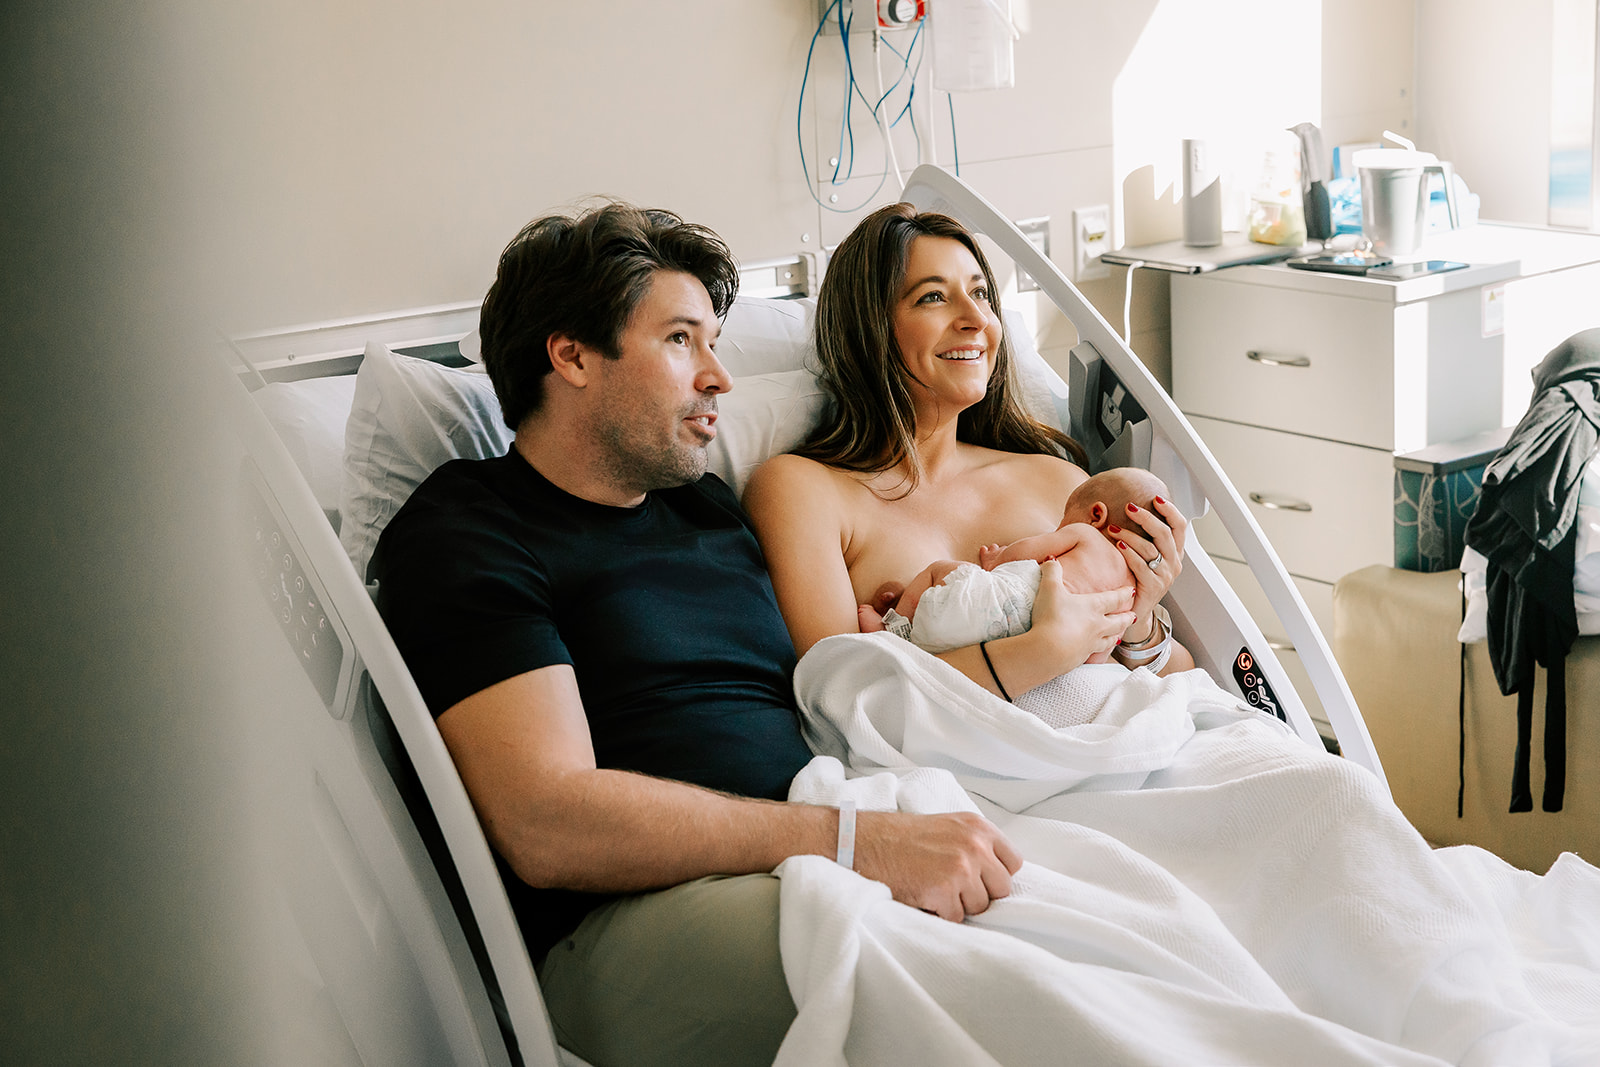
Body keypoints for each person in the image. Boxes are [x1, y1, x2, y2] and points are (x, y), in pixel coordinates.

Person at [368, 202, 1024, 1067]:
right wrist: (853, 843)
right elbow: (547, 823)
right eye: (682, 341)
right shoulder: (469, 529)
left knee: (1072, 942)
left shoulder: (707, 510)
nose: (718, 376)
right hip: (630, 920)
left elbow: (823, 679)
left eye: (715, 343)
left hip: (815, 843)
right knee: (981, 997)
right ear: (569, 355)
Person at [742, 204, 1191, 708]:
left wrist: (1142, 620)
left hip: (1117, 741)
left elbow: (1180, 681)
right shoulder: (802, 491)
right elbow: (847, 698)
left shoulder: (1058, 481)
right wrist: (1040, 651)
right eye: (934, 297)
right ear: (869, 328)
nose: (977, 319)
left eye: (980, 293)